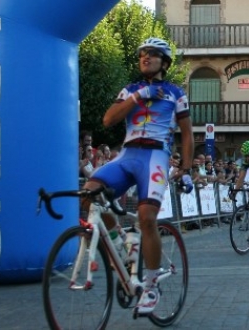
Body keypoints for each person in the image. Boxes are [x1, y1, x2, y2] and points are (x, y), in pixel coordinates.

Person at [80, 37, 194, 315]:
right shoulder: (130, 89)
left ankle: (152, 285)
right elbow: (108, 120)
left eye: (153, 54)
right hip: (128, 155)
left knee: (146, 218)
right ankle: (119, 242)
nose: (146, 57)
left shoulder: (175, 93)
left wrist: (187, 169)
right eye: (142, 54)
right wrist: (137, 97)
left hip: (155, 157)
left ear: (164, 62)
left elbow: (188, 134)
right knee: (89, 195)